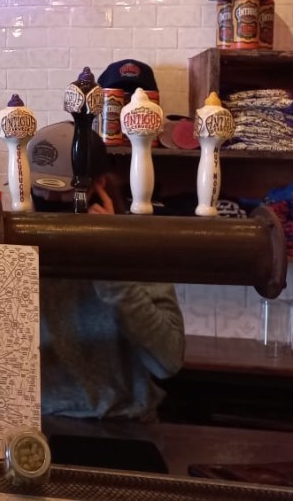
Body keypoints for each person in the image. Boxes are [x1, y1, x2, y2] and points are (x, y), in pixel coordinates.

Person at [28, 121, 185, 422]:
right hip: (39, 421)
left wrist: (108, 261)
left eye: (62, 191)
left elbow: (168, 361)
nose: (47, 199)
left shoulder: (139, 248)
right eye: (39, 188)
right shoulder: (20, 246)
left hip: (121, 422)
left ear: (98, 187)